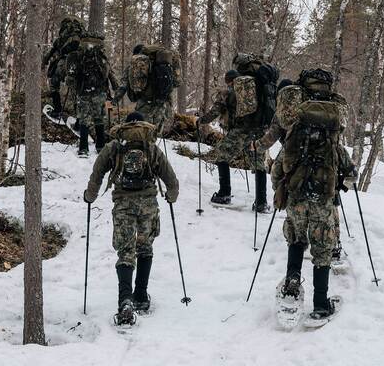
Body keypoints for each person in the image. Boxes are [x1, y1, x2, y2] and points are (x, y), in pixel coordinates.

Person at [272, 67, 354, 323]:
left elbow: (276, 172)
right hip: (323, 200)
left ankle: (292, 284)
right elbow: (351, 175)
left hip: (296, 198)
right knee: (322, 249)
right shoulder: (333, 143)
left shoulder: (293, 137)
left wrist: (280, 189)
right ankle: (320, 304)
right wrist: (340, 184)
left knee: (296, 240)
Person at [83, 112, 180, 325]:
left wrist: (90, 196)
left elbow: (97, 172)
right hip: (148, 204)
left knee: (125, 252)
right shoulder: (151, 148)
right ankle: (141, 297)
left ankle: (125, 301)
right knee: (145, 248)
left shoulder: (115, 146)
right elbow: (171, 179)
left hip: (123, 204)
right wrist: (171, 196)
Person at [197, 69, 270, 211]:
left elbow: (215, 111)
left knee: (221, 156)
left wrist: (201, 120)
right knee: (258, 164)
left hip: (240, 131)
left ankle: (224, 193)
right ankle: (261, 202)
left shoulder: (228, 92)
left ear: (228, 81)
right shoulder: (255, 90)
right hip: (258, 131)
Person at [67, 33, 118, 156]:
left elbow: (71, 76)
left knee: (84, 120)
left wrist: (73, 87)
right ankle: (100, 146)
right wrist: (115, 88)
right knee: (99, 118)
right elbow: (109, 73)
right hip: (99, 92)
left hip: (84, 91)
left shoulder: (79, 55)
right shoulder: (101, 56)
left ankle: (83, 149)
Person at [114, 43, 180, 135]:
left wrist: (115, 99)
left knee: (143, 131)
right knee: (156, 133)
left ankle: (145, 148)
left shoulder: (138, 65)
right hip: (162, 103)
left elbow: (124, 85)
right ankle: (153, 148)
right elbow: (175, 83)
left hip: (145, 102)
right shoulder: (163, 64)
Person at [42, 17, 85, 118]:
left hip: (64, 63)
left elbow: (51, 51)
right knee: (76, 90)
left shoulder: (61, 38)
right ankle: (79, 120)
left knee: (54, 84)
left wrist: (44, 62)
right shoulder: (80, 37)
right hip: (79, 65)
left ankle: (57, 110)